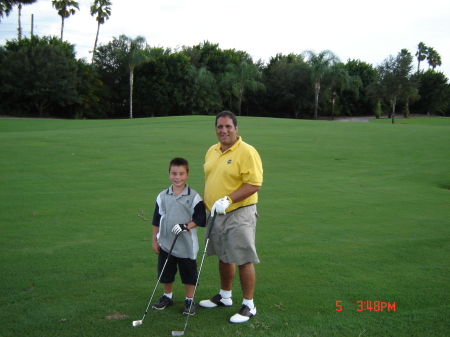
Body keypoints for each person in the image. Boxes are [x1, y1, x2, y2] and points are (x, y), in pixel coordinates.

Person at [199, 111, 263, 324]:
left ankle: (249, 305)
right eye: (219, 126)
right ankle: (225, 296)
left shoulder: (247, 152)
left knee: (243, 257)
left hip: (239, 212)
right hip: (216, 213)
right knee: (223, 255)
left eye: (228, 126)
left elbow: (254, 184)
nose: (223, 130)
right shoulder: (212, 150)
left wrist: (228, 199)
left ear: (236, 128)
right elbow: (212, 179)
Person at [151, 157, 206, 316]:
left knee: (189, 274)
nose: (177, 177)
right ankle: (167, 296)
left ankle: (189, 299)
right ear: (169, 174)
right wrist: (154, 240)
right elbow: (156, 219)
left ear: (187, 175)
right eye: (174, 173)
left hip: (186, 245)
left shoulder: (193, 196)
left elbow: (200, 219)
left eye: (181, 174)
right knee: (165, 272)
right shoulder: (162, 196)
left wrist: (186, 226)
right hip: (166, 243)